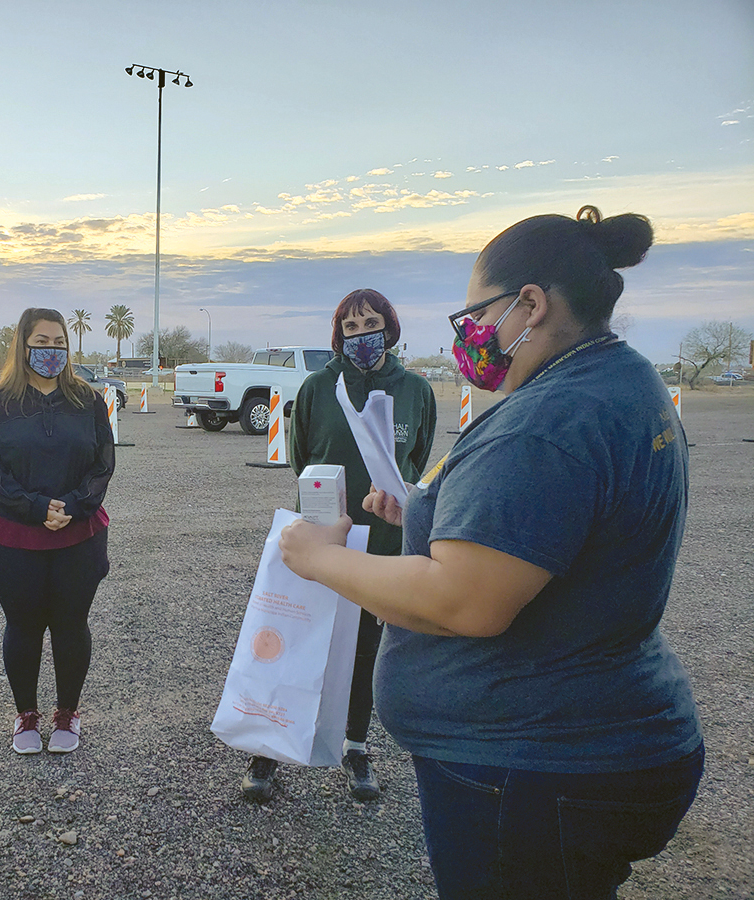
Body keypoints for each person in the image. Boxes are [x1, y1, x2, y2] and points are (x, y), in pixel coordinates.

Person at [279, 206, 703, 899]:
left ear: (530, 305)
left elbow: (464, 601)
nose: (471, 335)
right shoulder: (618, 381)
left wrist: (316, 556)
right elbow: (540, 526)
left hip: (535, 767)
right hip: (589, 743)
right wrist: (424, 509)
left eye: (477, 313)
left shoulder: (547, 420)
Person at [241, 289, 436, 803]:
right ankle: (271, 744)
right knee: (298, 639)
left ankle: (355, 744)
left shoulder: (416, 390)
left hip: (385, 543)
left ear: (389, 328)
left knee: (366, 648)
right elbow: (302, 458)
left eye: (371, 323)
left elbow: (415, 459)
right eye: (351, 328)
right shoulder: (315, 389)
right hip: (322, 537)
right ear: (338, 334)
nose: (362, 334)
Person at [0, 308, 114, 755]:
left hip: (78, 533)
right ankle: (26, 715)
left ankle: (67, 714)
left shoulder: (86, 399)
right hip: (14, 535)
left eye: (58, 342)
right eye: (41, 341)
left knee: (71, 624)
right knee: (24, 625)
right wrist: (33, 507)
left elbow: (103, 461)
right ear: (22, 344)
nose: (51, 350)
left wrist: (72, 505)